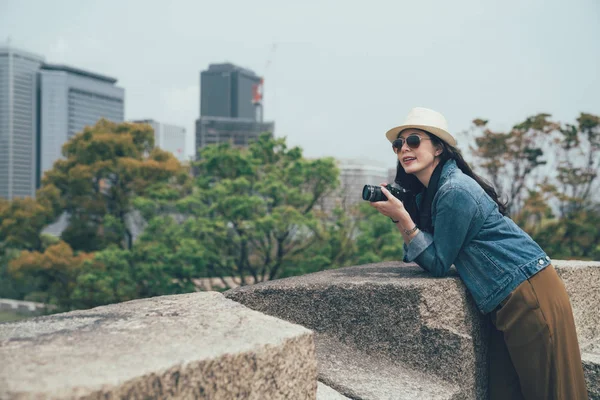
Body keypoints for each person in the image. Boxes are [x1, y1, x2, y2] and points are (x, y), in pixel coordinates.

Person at [370, 107, 588, 400]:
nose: (404, 149)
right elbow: (425, 252)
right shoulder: (433, 194)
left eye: (413, 140)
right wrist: (405, 210)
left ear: (438, 148)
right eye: (398, 145)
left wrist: (402, 219)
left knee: (551, 393)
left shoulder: (454, 190)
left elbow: (436, 262)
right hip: (506, 299)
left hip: (529, 294)